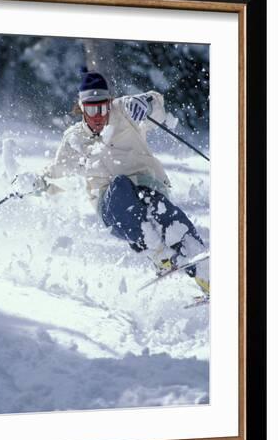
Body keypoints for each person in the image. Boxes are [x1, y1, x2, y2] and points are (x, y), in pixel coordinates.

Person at [13, 68, 209, 297]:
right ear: (81, 108)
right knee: (120, 186)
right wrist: (34, 182)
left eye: (102, 107)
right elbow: (55, 170)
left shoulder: (124, 111)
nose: (98, 115)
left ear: (109, 103)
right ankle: (158, 253)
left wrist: (145, 103)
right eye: (91, 109)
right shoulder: (75, 139)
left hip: (148, 187)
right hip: (112, 208)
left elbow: (156, 103)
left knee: (163, 212)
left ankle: (206, 274)